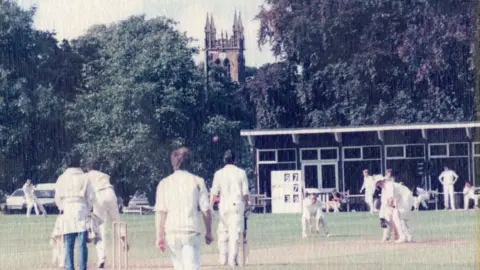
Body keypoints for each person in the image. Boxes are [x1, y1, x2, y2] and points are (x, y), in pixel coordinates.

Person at [155, 147, 213, 270]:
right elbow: (205, 210)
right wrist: (208, 232)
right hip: (190, 231)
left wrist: (159, 236)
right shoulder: (198, 181)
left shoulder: (164, 183)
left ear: (173, 163)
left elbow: (161, 213)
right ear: (189, 162)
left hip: (171, 232)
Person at [54, 152, 96, 270]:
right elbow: (91, 197)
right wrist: (87, 209)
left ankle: (69, 267)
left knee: (68, 242)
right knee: (82, 243)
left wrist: (62, 207)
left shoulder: (62, 178)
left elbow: (57, 198)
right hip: (81, 209)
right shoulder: (85, 177)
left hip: (67, 209)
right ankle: (82, 268)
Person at [210, 150, 249, 267]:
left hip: (223, 207)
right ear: (235, 160)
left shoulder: (218, 173)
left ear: (224, 160)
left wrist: (210, 208)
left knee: (223, 232)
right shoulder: (241, 173)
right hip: (236, 206)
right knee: (235, 233)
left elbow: (213, 193)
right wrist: (247, 206)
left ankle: (223, 258)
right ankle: (232, 259)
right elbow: (245, 193)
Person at [86, 160, 127, 269]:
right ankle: (123, 237)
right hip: (110, 193)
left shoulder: (87, 176)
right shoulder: (104, 175)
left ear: (88, 169)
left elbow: (87, 193)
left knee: (99, 227)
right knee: (117, 220)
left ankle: (102, 258)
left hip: (99, 195)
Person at [376, 176, 414, 243]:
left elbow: (391, 200)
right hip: (402, 199)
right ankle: (408, 237)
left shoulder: (389, 185)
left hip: (406, 197)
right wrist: (382, 217)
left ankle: (403, 237)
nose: (379, 184)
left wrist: (392, 208)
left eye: (379, 182)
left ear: (383, 180)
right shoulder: (384, 189)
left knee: (397, 216)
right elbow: (384, 204)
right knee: (395, 217)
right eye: (378, 183)